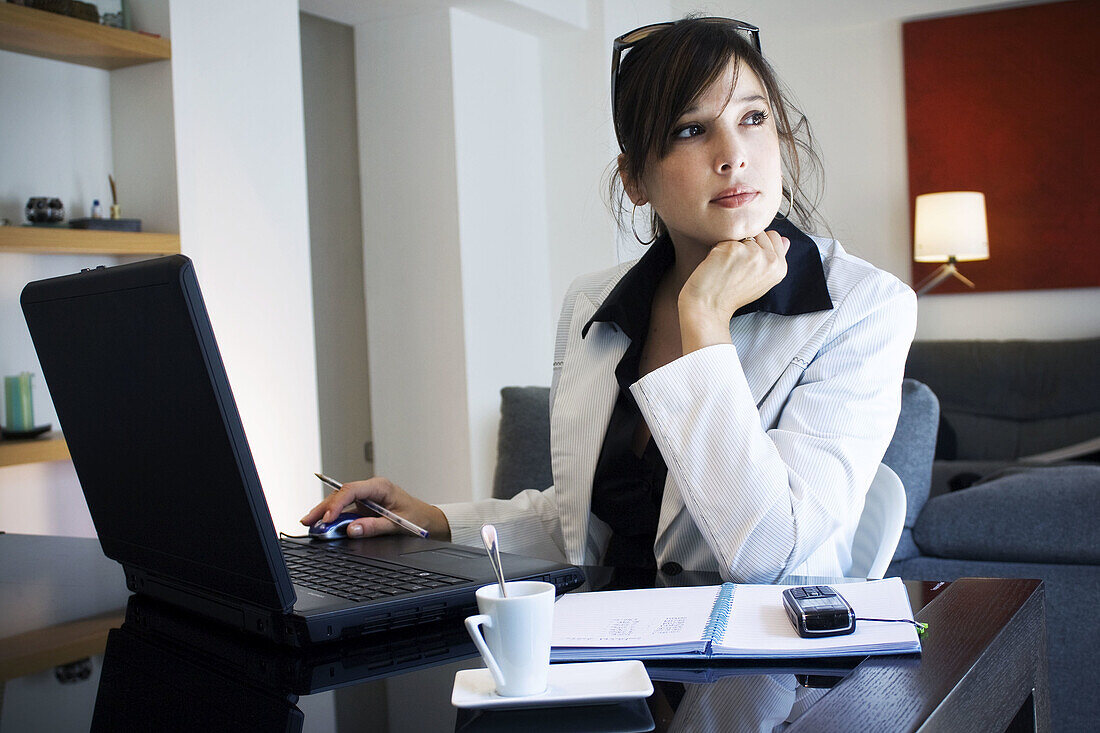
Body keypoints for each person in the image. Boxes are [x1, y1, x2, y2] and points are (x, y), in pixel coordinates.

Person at [301, 17, 916, 583]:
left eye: (753, 119)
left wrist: (703, 321)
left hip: (752, 687)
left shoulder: (864, 307)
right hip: (605, 659)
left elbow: (766, 552)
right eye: (691, 130)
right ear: (635, 178)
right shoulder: (594, 304)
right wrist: (432, 519)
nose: (734, 157)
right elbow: (578, 526)